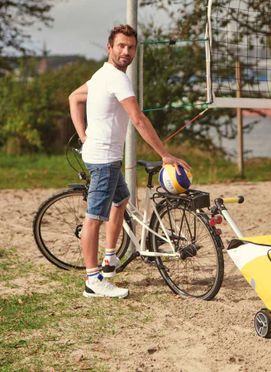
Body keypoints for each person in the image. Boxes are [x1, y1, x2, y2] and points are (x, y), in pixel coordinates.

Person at [69, 24, 190, 298]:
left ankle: (110, 258)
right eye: (121, 45)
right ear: (109, 47)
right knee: (93, 220)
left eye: (131, 47)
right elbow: (138, 119)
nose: (126, 51)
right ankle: (92, 281)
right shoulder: (116, 78)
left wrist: (82, 135)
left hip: (101, 156)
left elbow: (74, 98)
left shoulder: (101, 75)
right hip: (104, 161)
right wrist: (165, 155)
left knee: (121, 200)